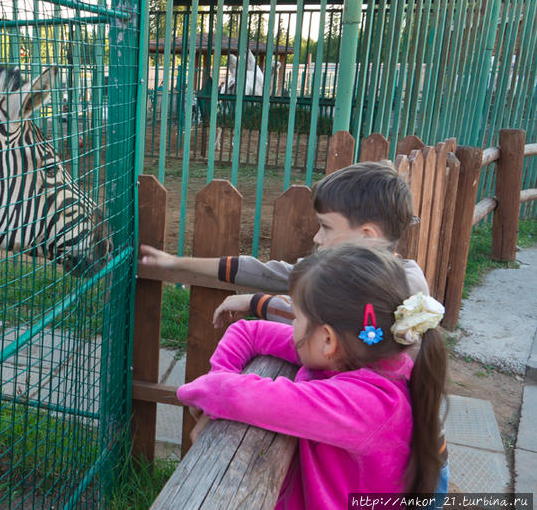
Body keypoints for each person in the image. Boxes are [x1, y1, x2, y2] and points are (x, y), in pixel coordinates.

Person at [177, 244, 448, 509]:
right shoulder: (359, 357)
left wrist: (205, 392)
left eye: (296, 317)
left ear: (327, 339)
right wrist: (216, 393)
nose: (291, 325)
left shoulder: (367, 405)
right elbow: (249, 332)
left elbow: (234, 395)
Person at [139, 160, 429, 324]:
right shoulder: (336, 271)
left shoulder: (407, 287)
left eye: (326, 227)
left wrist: (257, 302)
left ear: (367, 236)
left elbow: (326, 317)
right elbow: (265, 272)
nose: (317, 238)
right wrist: (176, 262)